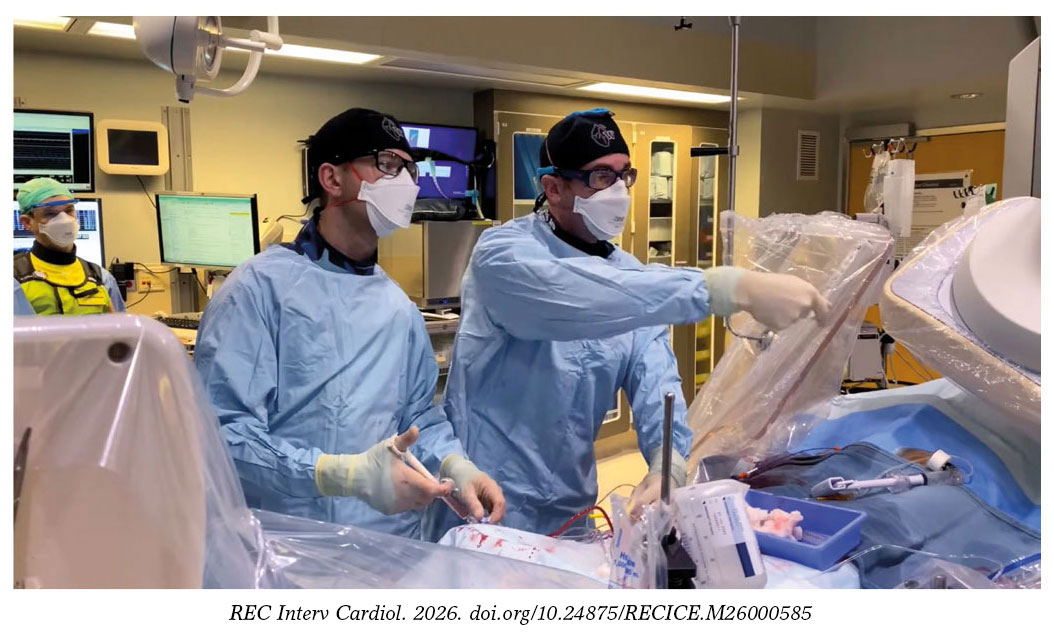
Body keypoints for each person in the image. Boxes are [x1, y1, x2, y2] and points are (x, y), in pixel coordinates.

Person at [423, 109, 829, 539]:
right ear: (554, 187)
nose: (618, 191)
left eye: (624, 175)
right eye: (601, 176)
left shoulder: (630, 275)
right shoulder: (503, 255)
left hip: (570, 507)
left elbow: (657, 380)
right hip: (482, 502)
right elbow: (576, 296)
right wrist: (726, 288)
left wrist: (667, 463)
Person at [194, 108, 504, 538]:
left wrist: (455, 465)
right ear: (332, 178)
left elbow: (418, 418)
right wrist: (341, 476)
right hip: (287, 545)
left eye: (409, 169)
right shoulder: (258, 290)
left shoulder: (397, 307)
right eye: (387, 164)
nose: (405, 182)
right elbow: (224, 436)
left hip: (386, 544)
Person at [13, 178, 125, 316]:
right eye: (50, 214)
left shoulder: (101, 278)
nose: (64, 220)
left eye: (68, 210)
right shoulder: (14, 278)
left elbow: (122, 327)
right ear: (27, 222)